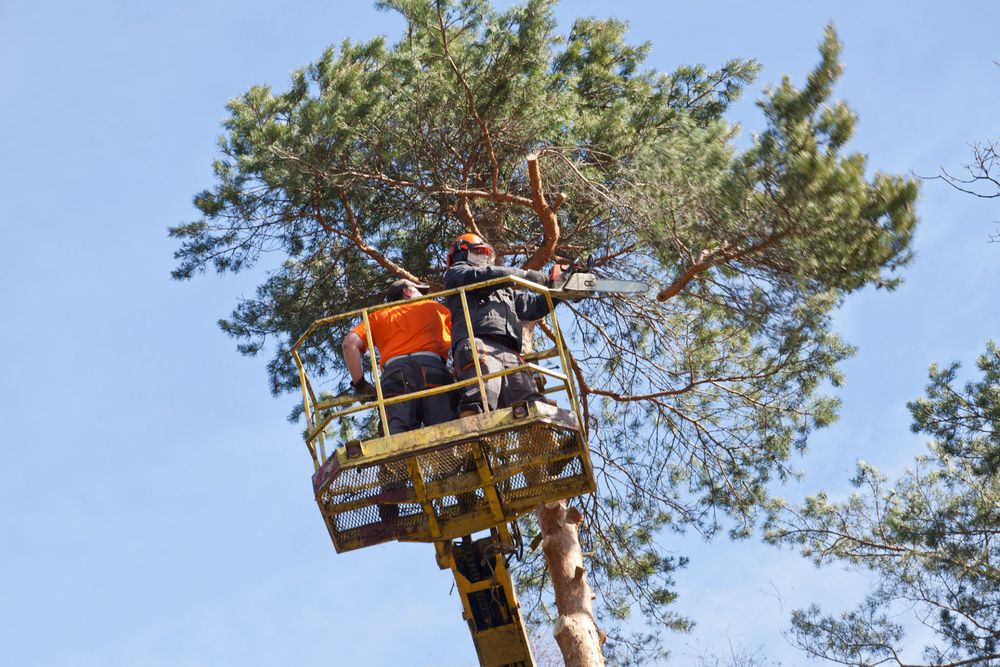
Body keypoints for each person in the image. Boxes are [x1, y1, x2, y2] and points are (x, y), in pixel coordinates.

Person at [442, 233, 557, 416]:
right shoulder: (457, 273)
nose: (484, 258)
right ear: (460, 254)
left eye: (487, 254)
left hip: (510, 351)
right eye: (478, 252)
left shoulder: (504, 290)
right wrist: (526, 275)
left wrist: (558, 290)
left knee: (530, 399)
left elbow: (533, 307)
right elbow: (485, 275)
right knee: (480, 398)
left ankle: (544, 436)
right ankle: (474, 442)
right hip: (478, 343)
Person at [342, 278, 456, 434]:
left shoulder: (377, 316)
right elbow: (462, 336)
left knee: (396, 437)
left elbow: (349, 344)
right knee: (450, 432)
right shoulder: (436, 308)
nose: (425, 297)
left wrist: (360, 384)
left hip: (395, 378)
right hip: (433, 371)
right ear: (407, 291)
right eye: (419, 292)